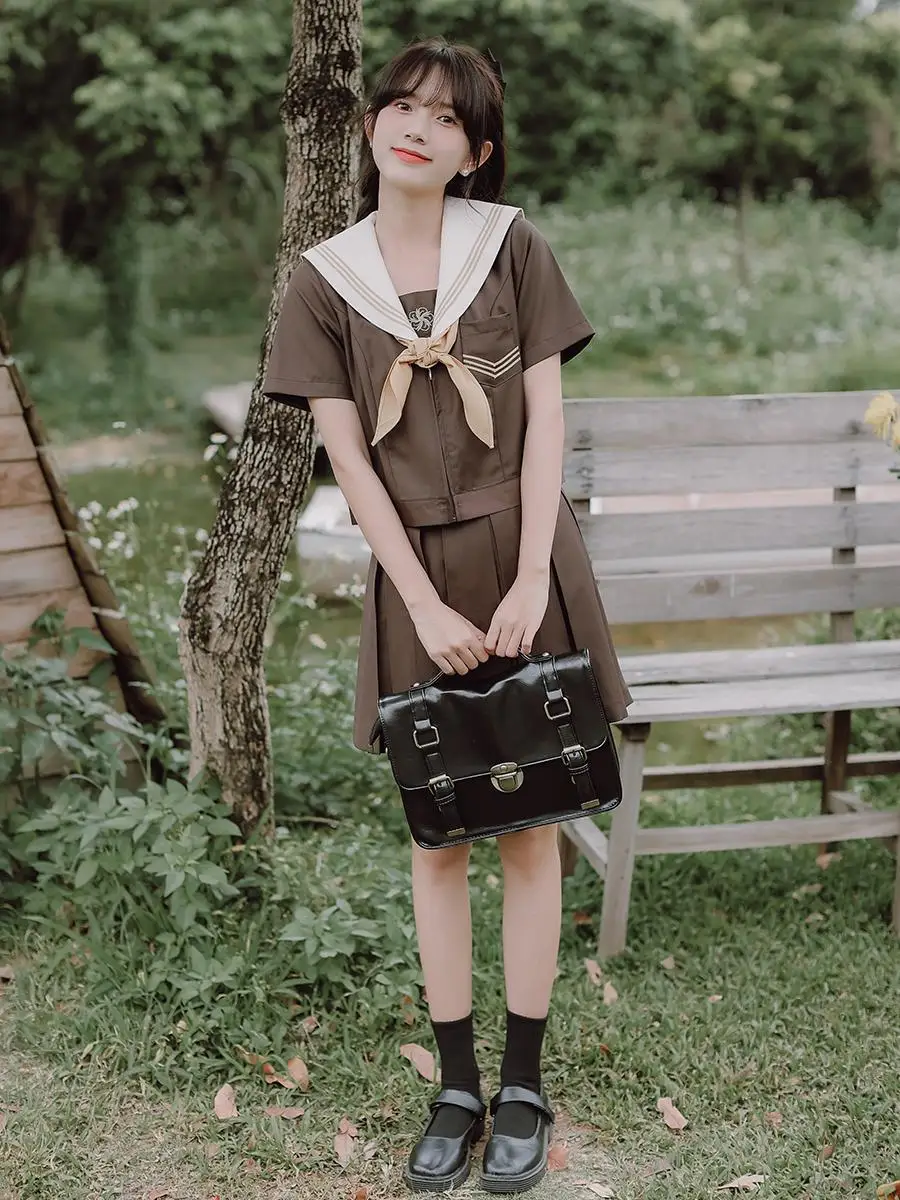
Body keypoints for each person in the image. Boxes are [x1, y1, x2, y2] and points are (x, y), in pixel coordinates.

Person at [262, 36, 632, 1195]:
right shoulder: (325, 281)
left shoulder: (509, 246)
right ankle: (457, 1084)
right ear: (373, 124)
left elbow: (548, 425)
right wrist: (419, 604)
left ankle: (524, 1081)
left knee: (529, 829)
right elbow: (349, 469)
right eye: (399, 104)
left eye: (443, 116)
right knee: (439, 841)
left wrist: (531, 581)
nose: (412, 124)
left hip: (525, 562)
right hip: (413, 574)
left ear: (475, 152)